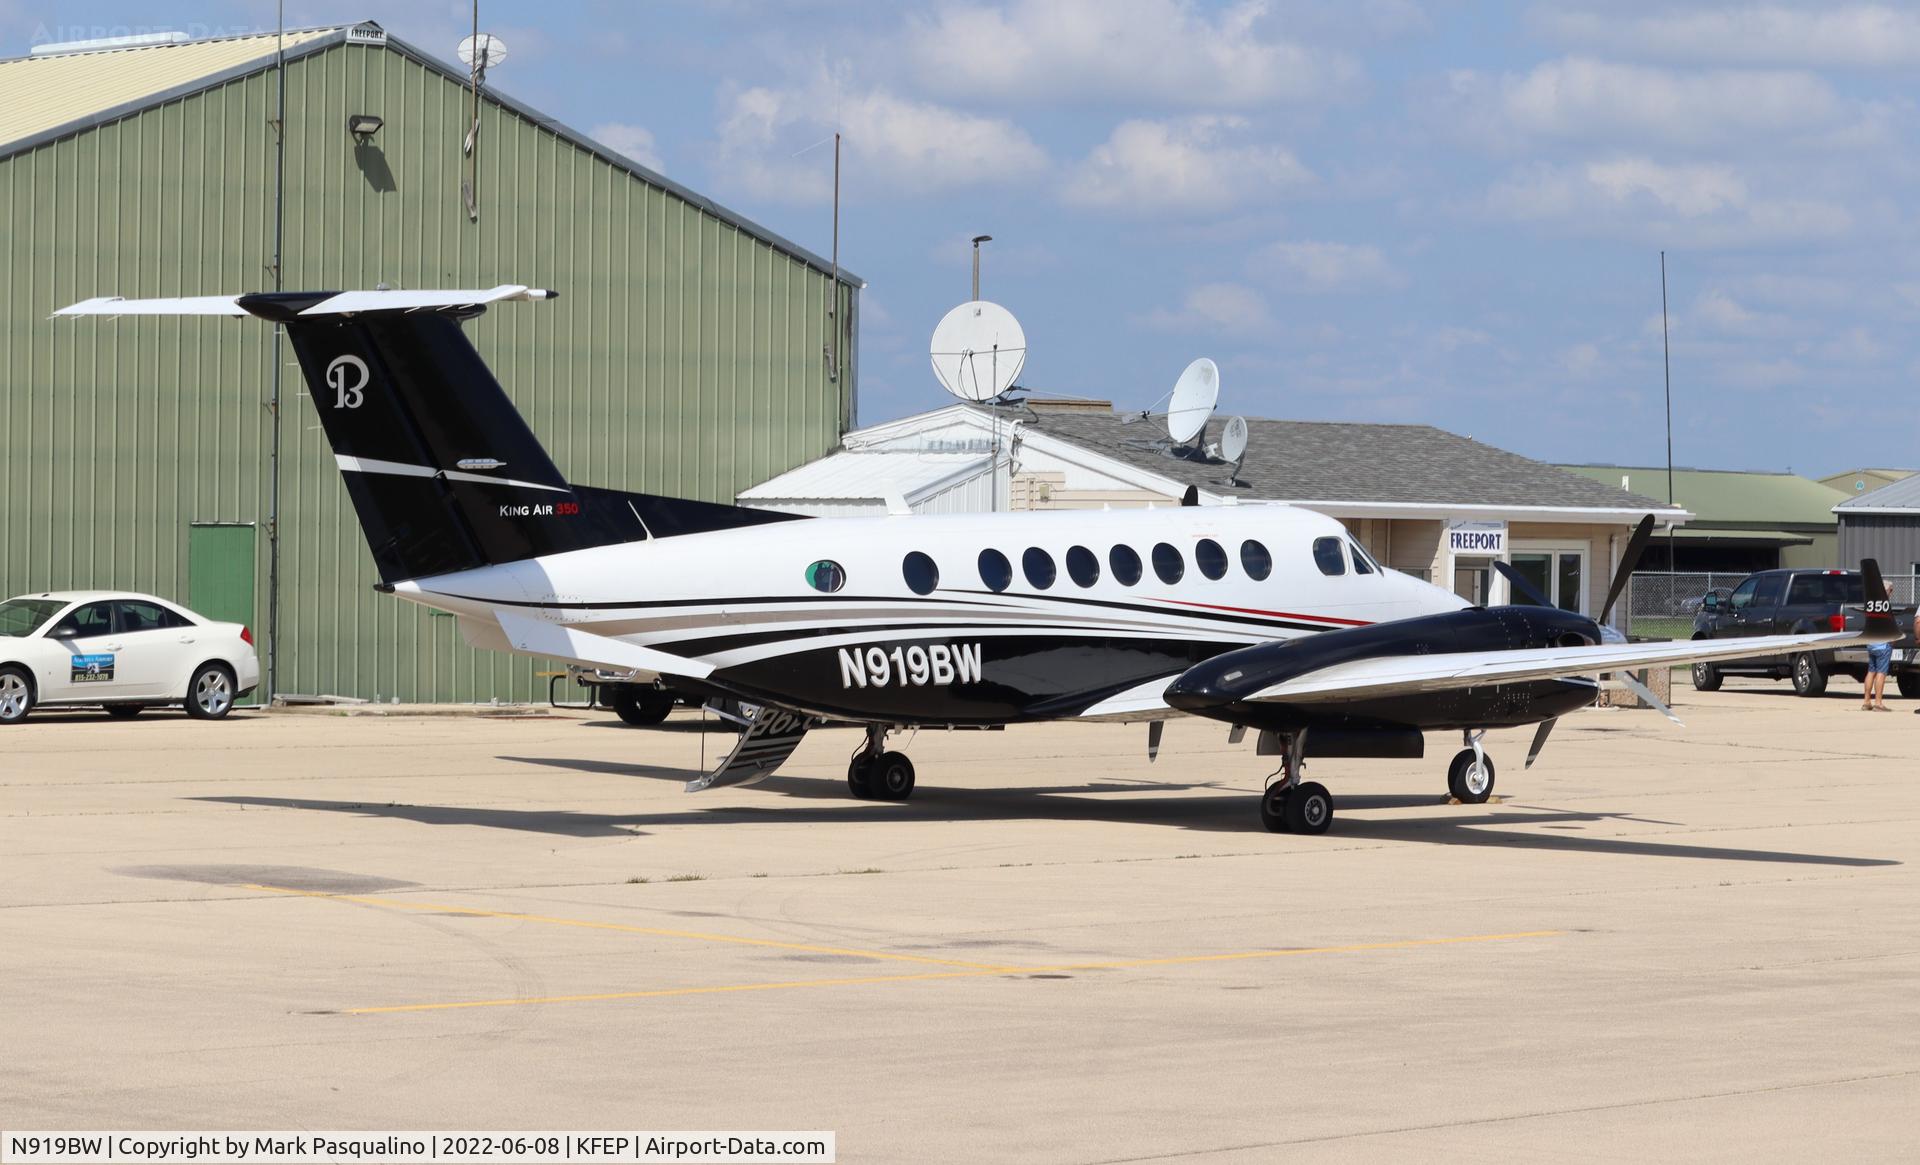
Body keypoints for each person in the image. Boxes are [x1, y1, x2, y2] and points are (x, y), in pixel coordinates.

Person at [1862, 578, 1893, 712]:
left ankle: (1866, 701)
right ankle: (1878, 702)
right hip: (1883, 644)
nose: (1892, 593)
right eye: (1891, 590)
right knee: (1881, 673)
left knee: (1871, 672)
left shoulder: (1871, 604)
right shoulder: (1885, 605)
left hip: (1871, 642)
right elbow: (1889, 625)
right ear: (1887, 591)